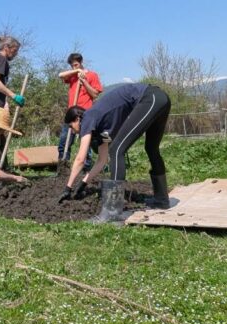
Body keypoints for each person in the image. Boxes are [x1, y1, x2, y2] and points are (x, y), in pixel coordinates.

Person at [59, 82, 172, 224]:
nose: (73, 131)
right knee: (151, 148)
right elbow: (102, 160)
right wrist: (83, 183)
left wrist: (68, 187)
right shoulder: (102, 127)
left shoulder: (87, 117)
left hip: (149, 98)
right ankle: (162, 199)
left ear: (77, 119)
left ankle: (112, 212)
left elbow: (80, 159)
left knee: (117, 149)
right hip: (160, 99)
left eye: (71, 126)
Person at [56, 52, 103, 165]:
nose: (74, 67)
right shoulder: (72, 75)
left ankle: (86, 166)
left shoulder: (92, 75)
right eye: (72, 65)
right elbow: (60, 75)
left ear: (81, 62)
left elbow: (95, 94)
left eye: (76, 65)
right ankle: (63, 164)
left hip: (85, 113)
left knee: (86, 142)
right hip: (71, 113)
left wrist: (84, 81)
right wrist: (76, 71)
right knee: (64, 141)